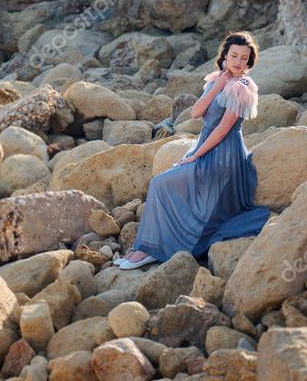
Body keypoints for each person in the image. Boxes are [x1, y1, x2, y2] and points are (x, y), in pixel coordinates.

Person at [116, 31, 271, 270]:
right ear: (225, 57)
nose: (238, 62)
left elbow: (222, 130)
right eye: (234, 56)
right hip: (206, 146)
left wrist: (195, 156)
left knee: (160, 183)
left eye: (244, 58)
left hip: (225, 155)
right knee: (170, 186)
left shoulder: (242, 89)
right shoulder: (217, 81)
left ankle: (151, 249)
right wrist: (217, 84)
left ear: (249, 62)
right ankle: (144, 249)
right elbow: (195, 113)